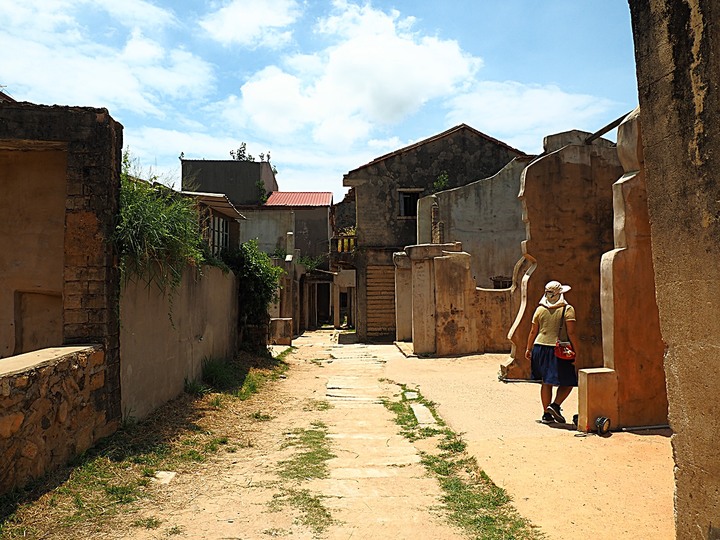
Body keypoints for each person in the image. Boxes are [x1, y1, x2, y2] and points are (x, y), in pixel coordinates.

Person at [524, 280, 579, 424]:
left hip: (539, 347)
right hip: (557, 348)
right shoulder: (567, 309)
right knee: (569, 381)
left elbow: (533, 331)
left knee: (546, 382)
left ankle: (546, 414)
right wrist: (577, 351)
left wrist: (528, 348)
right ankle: (555, 405)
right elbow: (571, 332)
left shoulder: (540, 309)